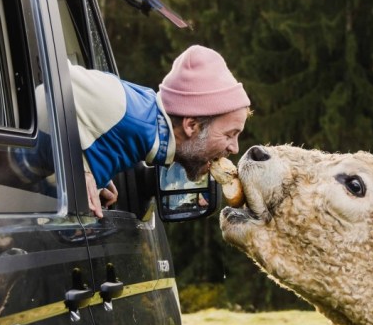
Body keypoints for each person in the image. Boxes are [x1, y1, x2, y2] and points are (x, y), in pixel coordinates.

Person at [73, 45, 251, 217]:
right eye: (229, 135)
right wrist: (75, 169)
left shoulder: (142, 136)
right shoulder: (121, 105)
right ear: (191, 126)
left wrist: (93, 176)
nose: (234, 148)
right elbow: (50, 74)